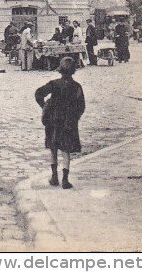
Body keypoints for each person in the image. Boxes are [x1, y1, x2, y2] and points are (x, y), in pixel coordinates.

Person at [35, 56, 86, 189]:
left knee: (53, 148)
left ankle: (54, 177)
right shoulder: (77, 87)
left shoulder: (54, 84)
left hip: (53, 121)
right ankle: (65, 179)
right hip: (68, 122)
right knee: (66, 150)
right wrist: (75, 117)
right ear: (73, 71)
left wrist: (44, 106)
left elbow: (38, 93)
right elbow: (81, 106)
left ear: (60, 70)